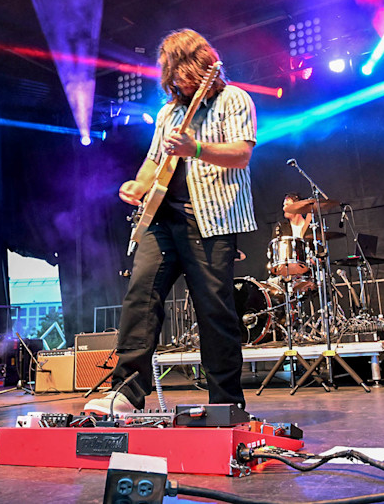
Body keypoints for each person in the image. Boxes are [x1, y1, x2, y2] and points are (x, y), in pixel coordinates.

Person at [85, 29, 257, 415]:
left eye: (179, 71)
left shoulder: (234, 100)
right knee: (139, 300)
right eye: (170, 73)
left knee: (214, 311)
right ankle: (127, 393)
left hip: (210, 221)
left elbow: (241, 154)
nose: (174, 80)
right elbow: (153, 160)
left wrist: (195, 147)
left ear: (199, 66)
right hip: (161, 220)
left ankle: (226, 402)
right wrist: (137, 185)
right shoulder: (168, 113)